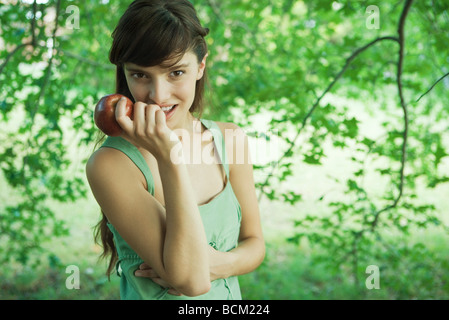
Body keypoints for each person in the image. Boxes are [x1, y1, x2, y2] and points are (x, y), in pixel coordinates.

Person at [86, 0, 265, 300]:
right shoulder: (111, 164)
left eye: (175, 73)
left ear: (201, 66)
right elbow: (192, 284)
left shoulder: (230, 139)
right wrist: (170, 157)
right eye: (141, 75)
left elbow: (255, 243)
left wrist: (216, 263)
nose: (158, 95)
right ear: (125, 73)